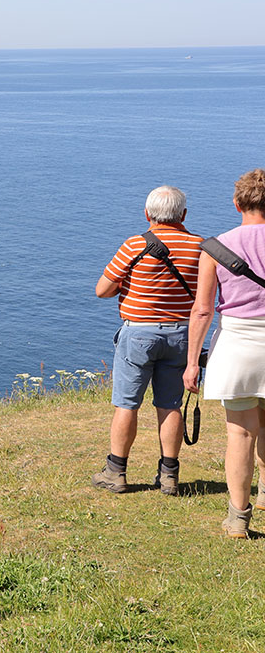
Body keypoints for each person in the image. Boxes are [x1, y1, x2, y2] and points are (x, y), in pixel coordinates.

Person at [93, 185, 202, 495]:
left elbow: (102, 289)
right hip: (182, 334)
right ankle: (169, 475)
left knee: (127, 404)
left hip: (138, 333)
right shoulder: (200, 247)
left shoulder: (134, 246)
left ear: (147, 214)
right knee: (170, 404)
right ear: (183, 214)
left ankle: (116, 471)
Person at [184, 168, 265, 538]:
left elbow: (202, 310)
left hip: (237, 344)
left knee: (241, 433)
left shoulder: (215, 248)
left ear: (236, 204)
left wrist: (191, 362)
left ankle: (238, 517)